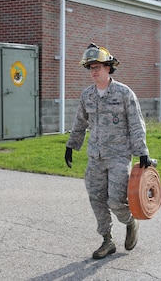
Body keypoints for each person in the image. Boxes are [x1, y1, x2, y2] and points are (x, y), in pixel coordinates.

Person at [65, 43, 153, 260]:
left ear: (108, 68)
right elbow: (80, 123)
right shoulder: (87, 95)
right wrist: (71, 145)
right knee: (96, 198)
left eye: (98, 67)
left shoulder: (124, 93)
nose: (94, 71)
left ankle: (130, 223)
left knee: (116, 200)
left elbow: (136, 123)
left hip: (118, 156)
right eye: (91, 67)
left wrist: (142, 151)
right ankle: (107, 240)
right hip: (95, 156)